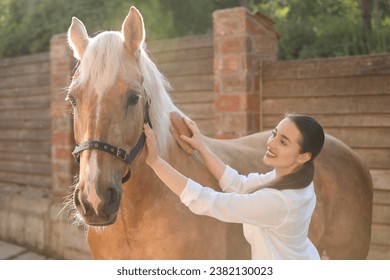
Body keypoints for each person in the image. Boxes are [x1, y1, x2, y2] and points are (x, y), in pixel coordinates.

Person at [143, 113, 325, 260]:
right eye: (274, 134)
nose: (270, 143)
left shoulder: (280, 201)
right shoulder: (293, 178)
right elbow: (239, 184)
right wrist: (202, 148)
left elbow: (206, 201)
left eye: (283, 142)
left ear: (304, 157)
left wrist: (155, 162)